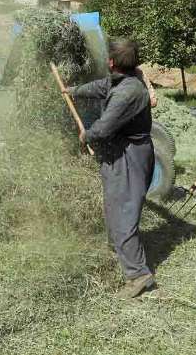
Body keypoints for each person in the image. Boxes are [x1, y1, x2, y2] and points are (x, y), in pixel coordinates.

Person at [64, 39, 155, 298]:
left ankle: (139, 275)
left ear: (112, 62)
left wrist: (86, 136)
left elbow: (103, 128)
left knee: (123, 211)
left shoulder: (128, 92)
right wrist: (74, 91)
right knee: (115, 204)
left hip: (130, 154)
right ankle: (118, 248)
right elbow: (101, 86)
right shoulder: (122, 81)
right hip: (121, 151)